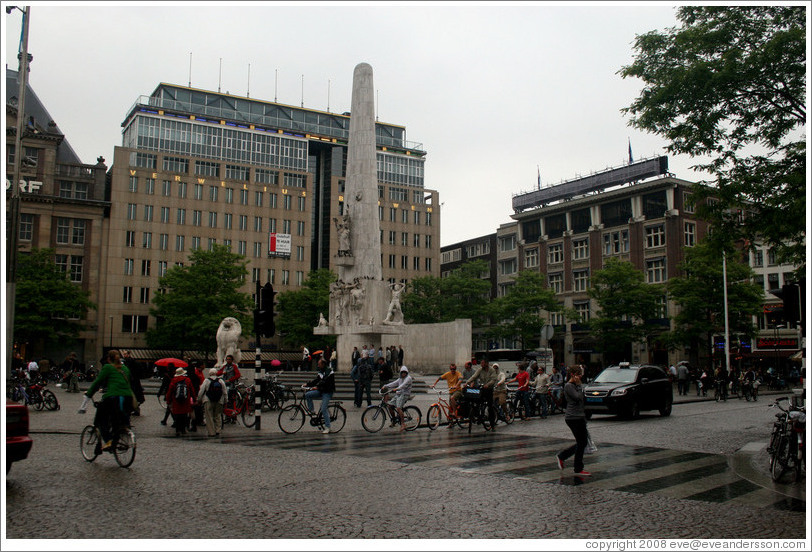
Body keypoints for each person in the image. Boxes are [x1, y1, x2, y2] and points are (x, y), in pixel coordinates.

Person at [79, 350, 135, 451]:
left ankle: (109, 441)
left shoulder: (108, 367)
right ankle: (117, 438)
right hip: (128, 398)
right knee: (117, 421)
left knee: (101, 419)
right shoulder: (125, 368)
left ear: (109, 359)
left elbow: (97, 382)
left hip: (114, 398)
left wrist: (89, 394)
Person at [555, 365, 591, 476]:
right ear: (573, 375)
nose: (580, 376)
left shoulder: (575, 385)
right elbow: (577, 397)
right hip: (573, 417)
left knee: (582, 442)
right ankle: (576, 466)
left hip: (579, 416)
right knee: (582, 442)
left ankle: (565, 457)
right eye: (579, 374)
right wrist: (580, 386)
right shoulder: (569, 386)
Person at [464, 359, 498, 430]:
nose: (481, 364)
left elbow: (493, 380)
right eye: (481, 363)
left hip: (489, 389)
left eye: (482, 363)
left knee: (490, 406)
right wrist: (467, 382)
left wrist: (488, 385)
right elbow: (474, 376)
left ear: (486, 363)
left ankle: (492, 424)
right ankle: (477, 414)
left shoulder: (492, 370)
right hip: (482, 388)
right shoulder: (480, 370)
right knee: (476, 400)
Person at [305, 359, 336, 434]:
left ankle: (328, 427)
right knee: (308, 395)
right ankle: (312, 410)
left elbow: (325, 383)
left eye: (319, 364)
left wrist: (317, 387)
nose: (318, 365)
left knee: (323, 408)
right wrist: (308, 384)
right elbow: (317, 380)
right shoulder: (321, 371)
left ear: (323, 364)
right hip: (321, 390)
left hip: (327, 392)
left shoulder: (330, 372)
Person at [382, 366, 413, 432]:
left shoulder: (408, 378)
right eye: (402, 373)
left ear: (406, 373)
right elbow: (394, 383)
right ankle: (394, 420)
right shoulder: (400, 379)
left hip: (405, 395)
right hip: (399, 394)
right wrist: (386, 386)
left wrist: (397, 388)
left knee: (398, 408)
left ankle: (403, 424)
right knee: (389, 406)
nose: (403, 374)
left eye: (405, 373)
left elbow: (403, 385)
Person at [198, 368, 227, 437]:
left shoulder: (206, 380)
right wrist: (225, 401)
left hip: (208, 400)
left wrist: (199, 399)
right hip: (219, 400)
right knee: (218, 415)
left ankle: (211, 432)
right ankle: (218, 430)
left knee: (209, 416)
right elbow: (225, 392)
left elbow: (201, 391)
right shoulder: (220, 381)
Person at [166, 367, 195, 437]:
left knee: (177, 416)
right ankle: (183, 430)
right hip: (186, 400)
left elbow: (170, 391)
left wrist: (168, 400)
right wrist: (194, 398)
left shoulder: (173, 380)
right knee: (184, 415)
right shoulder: (187, 380)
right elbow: (192, 390)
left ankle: (177, 430)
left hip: (176, 401)